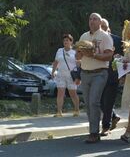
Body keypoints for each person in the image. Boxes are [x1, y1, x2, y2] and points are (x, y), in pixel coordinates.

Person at [76, 13, 114, 143]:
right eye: (90, 19)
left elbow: (109, 56)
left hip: (99, 73)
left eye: (95, 19)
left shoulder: (105, 36)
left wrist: (93, 55)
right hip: (85, 73)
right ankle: (93, 129)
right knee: (88, 103)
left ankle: (94, 133)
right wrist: (80, 53)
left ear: (100, 21)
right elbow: (77, 57)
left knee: (94, 102)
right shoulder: (84, 36)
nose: (92, 21)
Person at [100, 18, 122, 136]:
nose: (101, 29)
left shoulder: (117, 40)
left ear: (108, 28)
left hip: (113, 76)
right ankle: (114, 116)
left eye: (104, 26)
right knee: (99, 102)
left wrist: (122, 74)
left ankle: (105, 127)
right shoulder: (95, 40)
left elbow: (124, 58)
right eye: (100, 26)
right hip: (97, 75)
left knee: (108, 102)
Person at [51, 34, 80, 117]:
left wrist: (78, 76)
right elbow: (56, 62)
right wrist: (53, 72)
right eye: (64, 40)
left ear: (71, 41)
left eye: (67, 40)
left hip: (71, 75)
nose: (65, 42)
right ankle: (59, 112)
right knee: (60, 93)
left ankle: (76, 110)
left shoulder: (75, 51)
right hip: (61, 75)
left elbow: (79, 63)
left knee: (72, 93)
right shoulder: (59, 50)